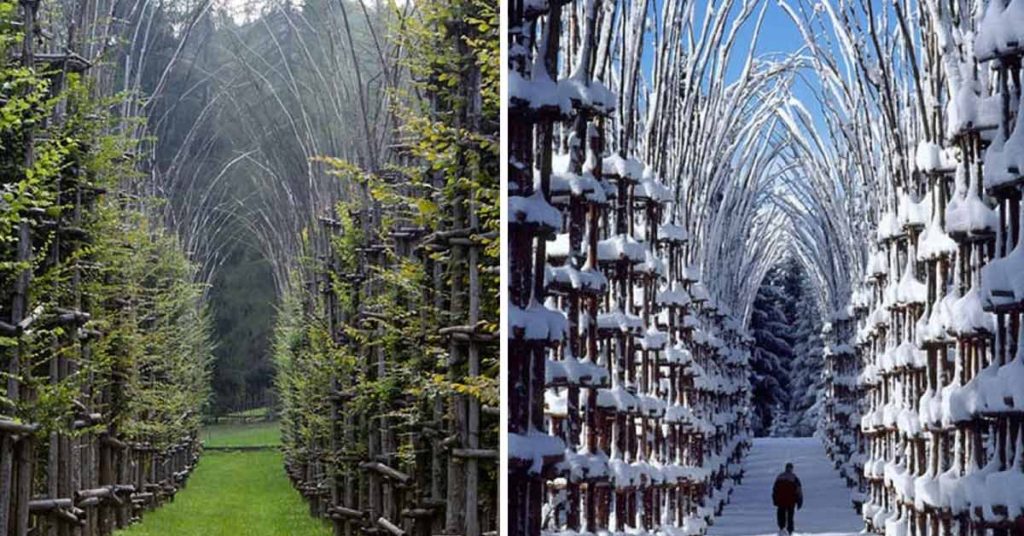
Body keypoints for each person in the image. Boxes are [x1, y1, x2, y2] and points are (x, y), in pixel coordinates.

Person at [772, 462, 803, 535]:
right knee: (790, 515)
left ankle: (781, 528)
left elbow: (775, 489)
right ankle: (790, 530)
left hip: (781, 500)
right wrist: (799, 501)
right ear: (792, 469)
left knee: (781, 514)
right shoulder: (794, 478)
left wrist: (775, 499)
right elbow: (799, 490)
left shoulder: (779, 477)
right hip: (791, 500)